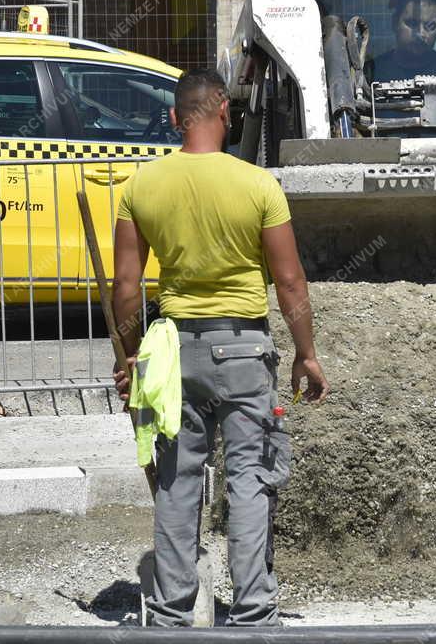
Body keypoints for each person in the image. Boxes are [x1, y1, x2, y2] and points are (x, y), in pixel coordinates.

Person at [112, 68, 329, 627]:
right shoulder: (257, 185)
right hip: (244, 351)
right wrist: (306, 353)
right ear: (226, 114)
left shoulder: (140, 188)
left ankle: (170, 614)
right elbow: (290, 284)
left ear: (173, 118)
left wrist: (130, 359)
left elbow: (128, 288)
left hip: (175, 354)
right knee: (250, 478)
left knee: (179, 482)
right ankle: (254, 612)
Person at [369, 0, 436, 82]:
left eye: (431, 25)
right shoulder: (370, 74)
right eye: (412, 23)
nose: (421, 34)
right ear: (394, 23)